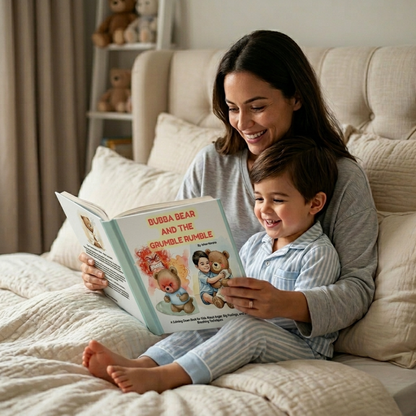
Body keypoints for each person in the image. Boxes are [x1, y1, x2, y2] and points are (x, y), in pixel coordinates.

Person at [80, 30, 377, 352]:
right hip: (198, 320)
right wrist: (112, 272)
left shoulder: (341, 176)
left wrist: (286, 303)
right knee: (102, 341)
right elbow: (177, 254)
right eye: (232, 108)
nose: (243, 123)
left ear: (296, 97)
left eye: (257, 107)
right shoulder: (212, 162)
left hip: (273, 337)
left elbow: (358, 289)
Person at [82, 135, 341, 393]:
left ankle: (166, 376)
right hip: (249, 324)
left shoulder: (318, 253)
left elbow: (307, 318)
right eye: (259, 199)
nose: (264, 209)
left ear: (314, 203)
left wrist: (260, 307)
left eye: (278, 200)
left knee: (247, 327)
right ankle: (144, 363)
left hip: (302, 347)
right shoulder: (255, 244)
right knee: (211, 321)